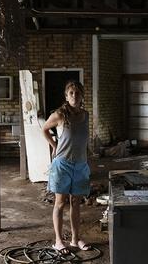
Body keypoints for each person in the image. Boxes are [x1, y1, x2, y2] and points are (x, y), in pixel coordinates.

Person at [42, 80, 92, 254]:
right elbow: (44, 129)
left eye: (78, 93)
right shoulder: (60, 114)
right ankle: (58, 241)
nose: (75, 96)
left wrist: (87, 156)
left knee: (76, 202)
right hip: (63, 164)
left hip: (80, 164)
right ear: (66, 96)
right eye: (71, 93)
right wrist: (54, 146)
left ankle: (75, 239)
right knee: (61, 203)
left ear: (82, 96)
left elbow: (82, 139)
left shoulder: (86, 115)